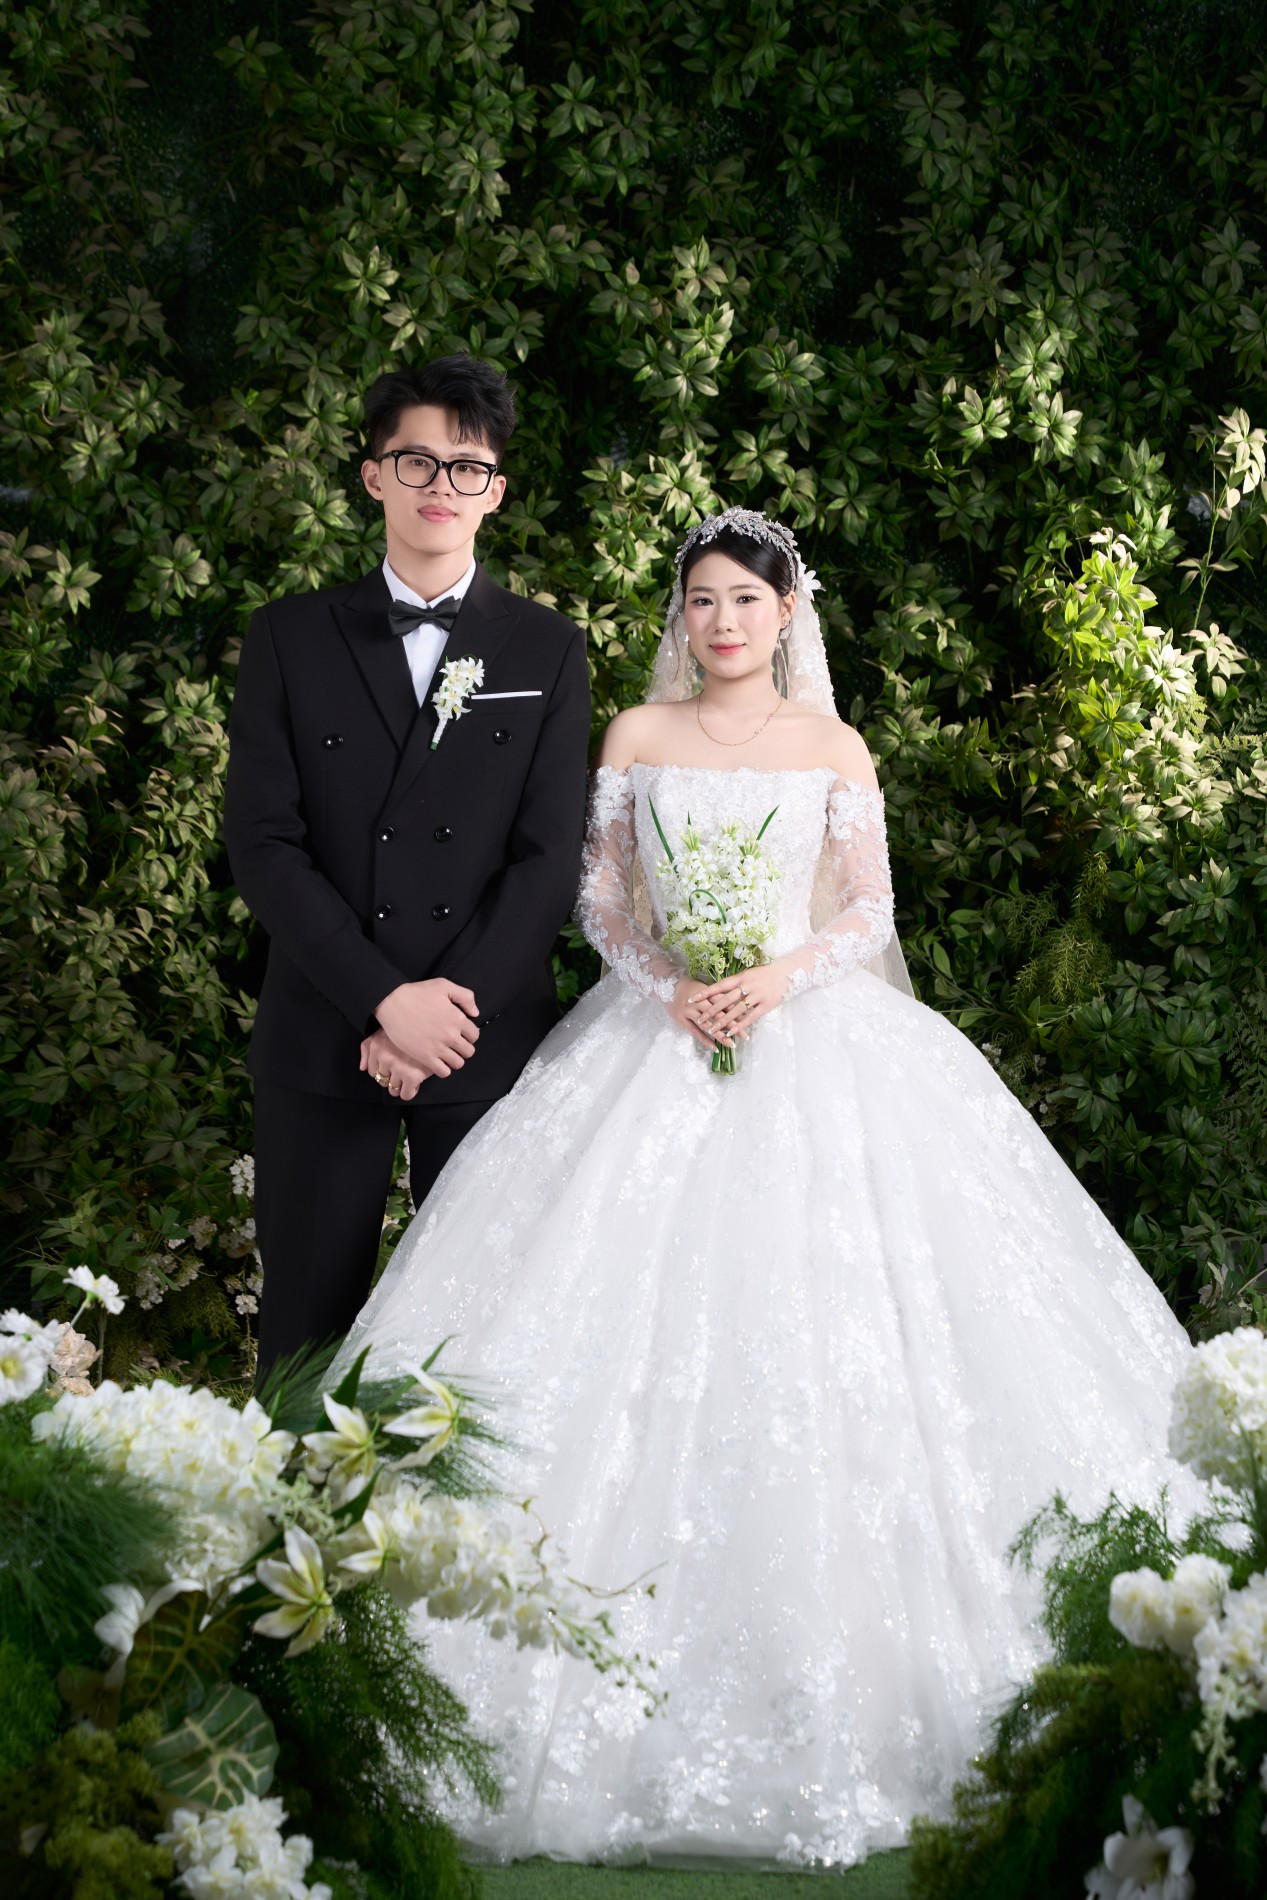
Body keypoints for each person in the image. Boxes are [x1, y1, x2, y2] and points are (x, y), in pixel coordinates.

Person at [332, 508, 1196, 1869]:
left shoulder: (832, 748)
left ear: (788, 612)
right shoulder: (636, 733)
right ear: (679, 617)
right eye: (702, 600)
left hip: (812, 1035)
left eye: (745, 598)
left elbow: (865, 912)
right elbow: (599, 901)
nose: (722, 620)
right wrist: (671, 982)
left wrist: (773, 977)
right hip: (652, 1033)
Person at [224, 355, 591, 1378]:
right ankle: (290, 1489)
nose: (442, 486)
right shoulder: (287, 637)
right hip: (322, 1030)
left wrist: (444, 1013)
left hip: (484, 1040)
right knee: (303, 1331)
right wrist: (384, 1001)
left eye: (467, 467)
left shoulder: (547, 649)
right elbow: (263, 842)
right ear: (373, 475)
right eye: (417, 461)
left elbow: (547, 858)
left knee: (476, 1348)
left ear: (496, 490)